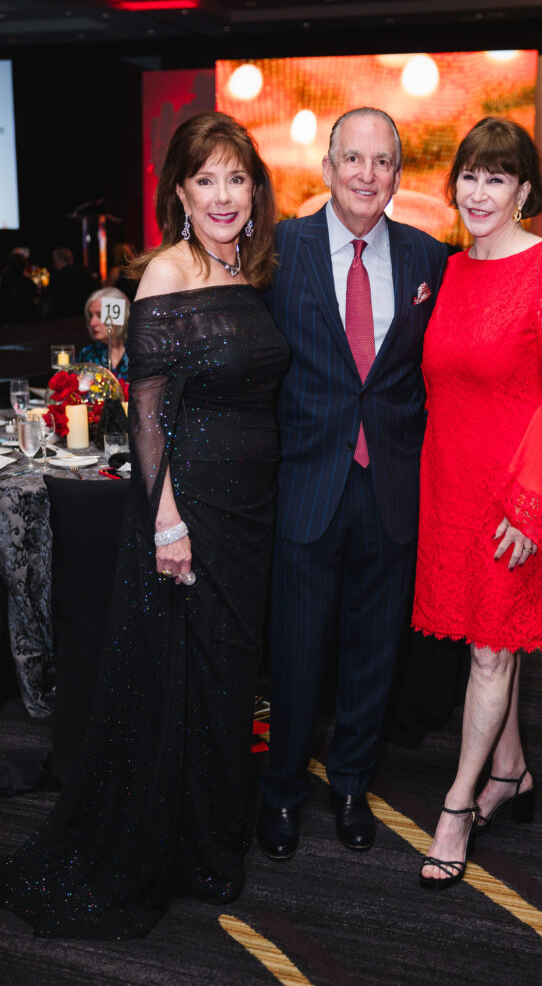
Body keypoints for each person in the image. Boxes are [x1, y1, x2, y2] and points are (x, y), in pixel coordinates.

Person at [0, 111, 289, 938]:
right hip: (190, 503)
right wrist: (165, 521)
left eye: (237, 177)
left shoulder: (254, 268)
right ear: (180, 191)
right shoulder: (166, 271)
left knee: (230, 679)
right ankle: (180, 848)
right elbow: (147, 411)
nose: (224, 194)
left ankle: (210, 837)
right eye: (207, 179)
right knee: (182, 677)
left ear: (253, 188)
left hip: (250, 505)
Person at [412, 117, 542, 889]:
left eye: (497, 177)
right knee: (486, 638)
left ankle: (457, 806)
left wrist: (530, 506)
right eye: (469, 175)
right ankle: (510, 770)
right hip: (449, 485)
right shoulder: (451, 271)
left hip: (514, 492)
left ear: (524, 190)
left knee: (492, 647)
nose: (479, 191)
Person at [257, 107, 448, 860]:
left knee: (374, 654)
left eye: (382, 161)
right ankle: (279, 793)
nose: (367, 174)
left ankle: (349, 785)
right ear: (328, 169)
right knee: (298, 653)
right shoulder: (282, 251)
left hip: (392, 490)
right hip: (307, 485)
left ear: (397, 174)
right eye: (353, 160)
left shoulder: (428, 258)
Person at [77, 287, 130, 377]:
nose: (92, 323)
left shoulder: (139, 353)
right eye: (90, 316)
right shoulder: (87, 355)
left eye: (100, 315)